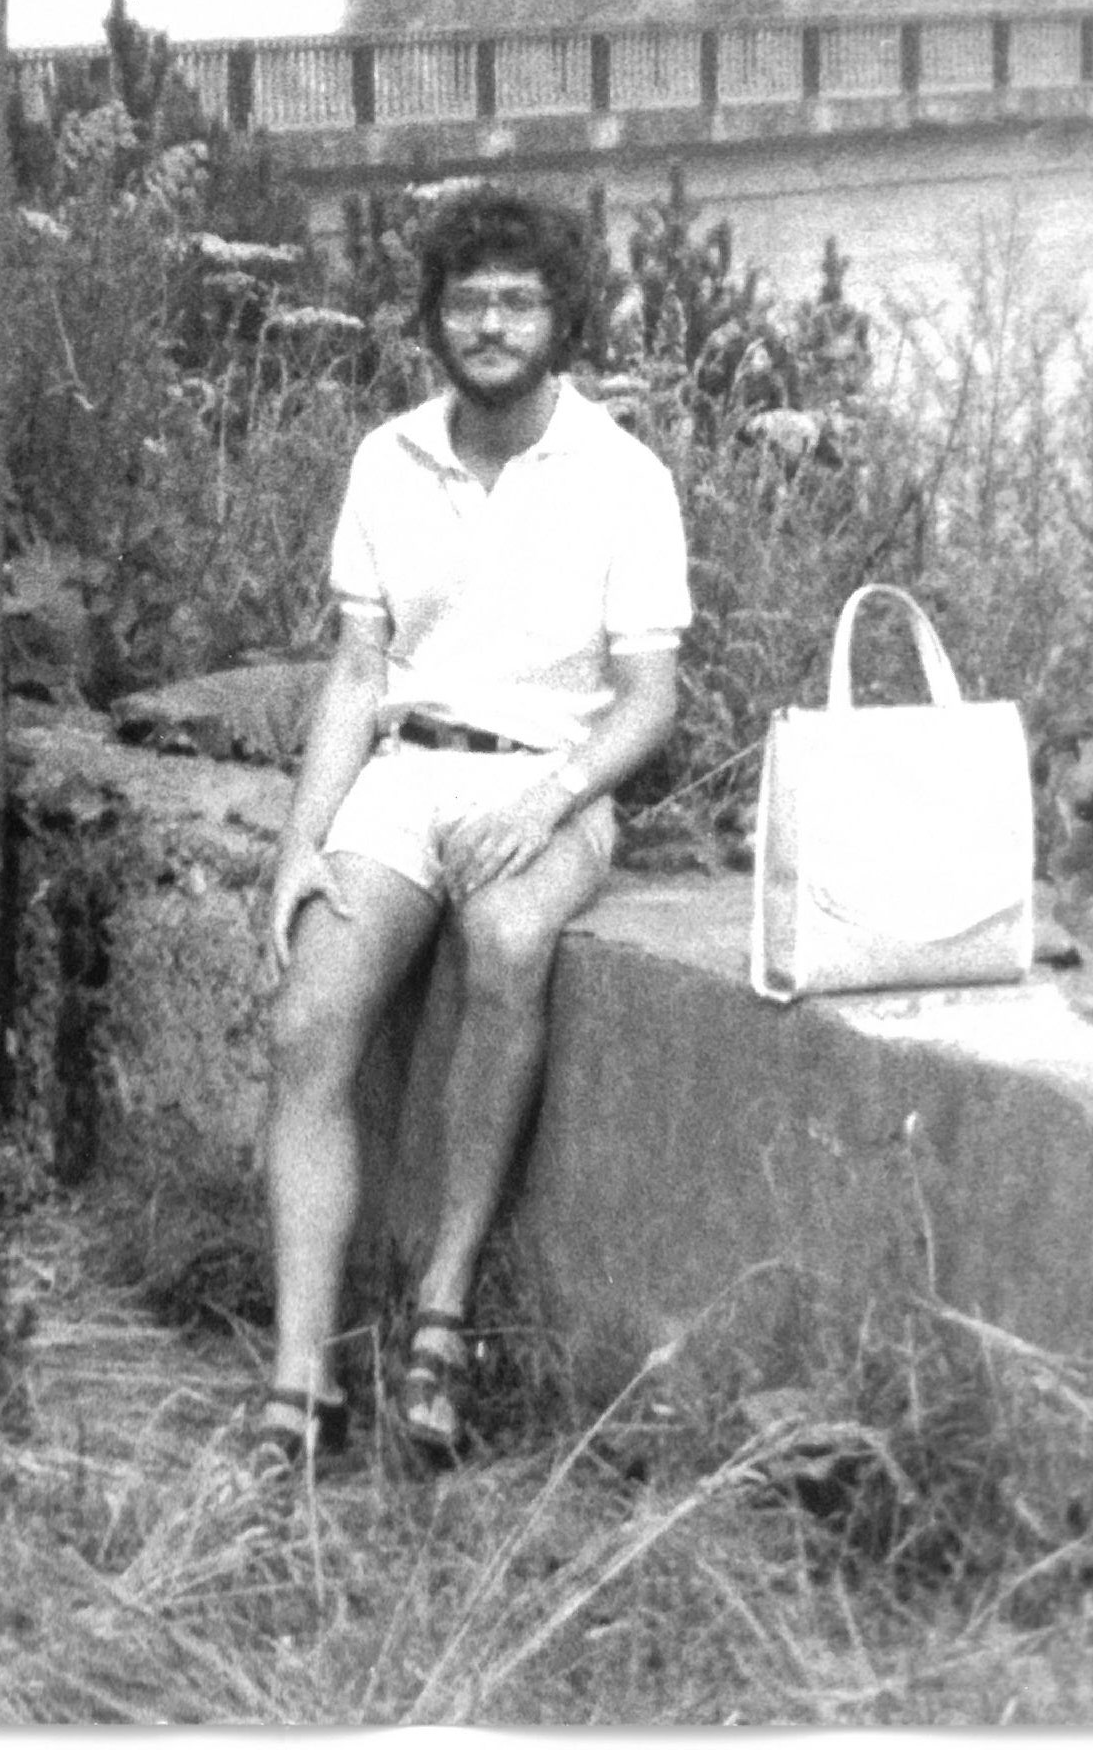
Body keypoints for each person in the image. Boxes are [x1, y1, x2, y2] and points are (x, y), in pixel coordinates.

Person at [257, 186, 691, 1472]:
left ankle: (439, 1309)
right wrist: (300, 846)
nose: (491, 325)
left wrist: (546, 799)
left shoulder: (622, 475)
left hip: (553, 777)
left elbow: (649, 700)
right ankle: (302, 1375)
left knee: (506, 941)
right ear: (434, 317)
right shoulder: (388, 458)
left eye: (518, 302)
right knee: (306, 1022)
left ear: (561, 318)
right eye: (468, 302)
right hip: (407, 774)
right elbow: (357, 670)